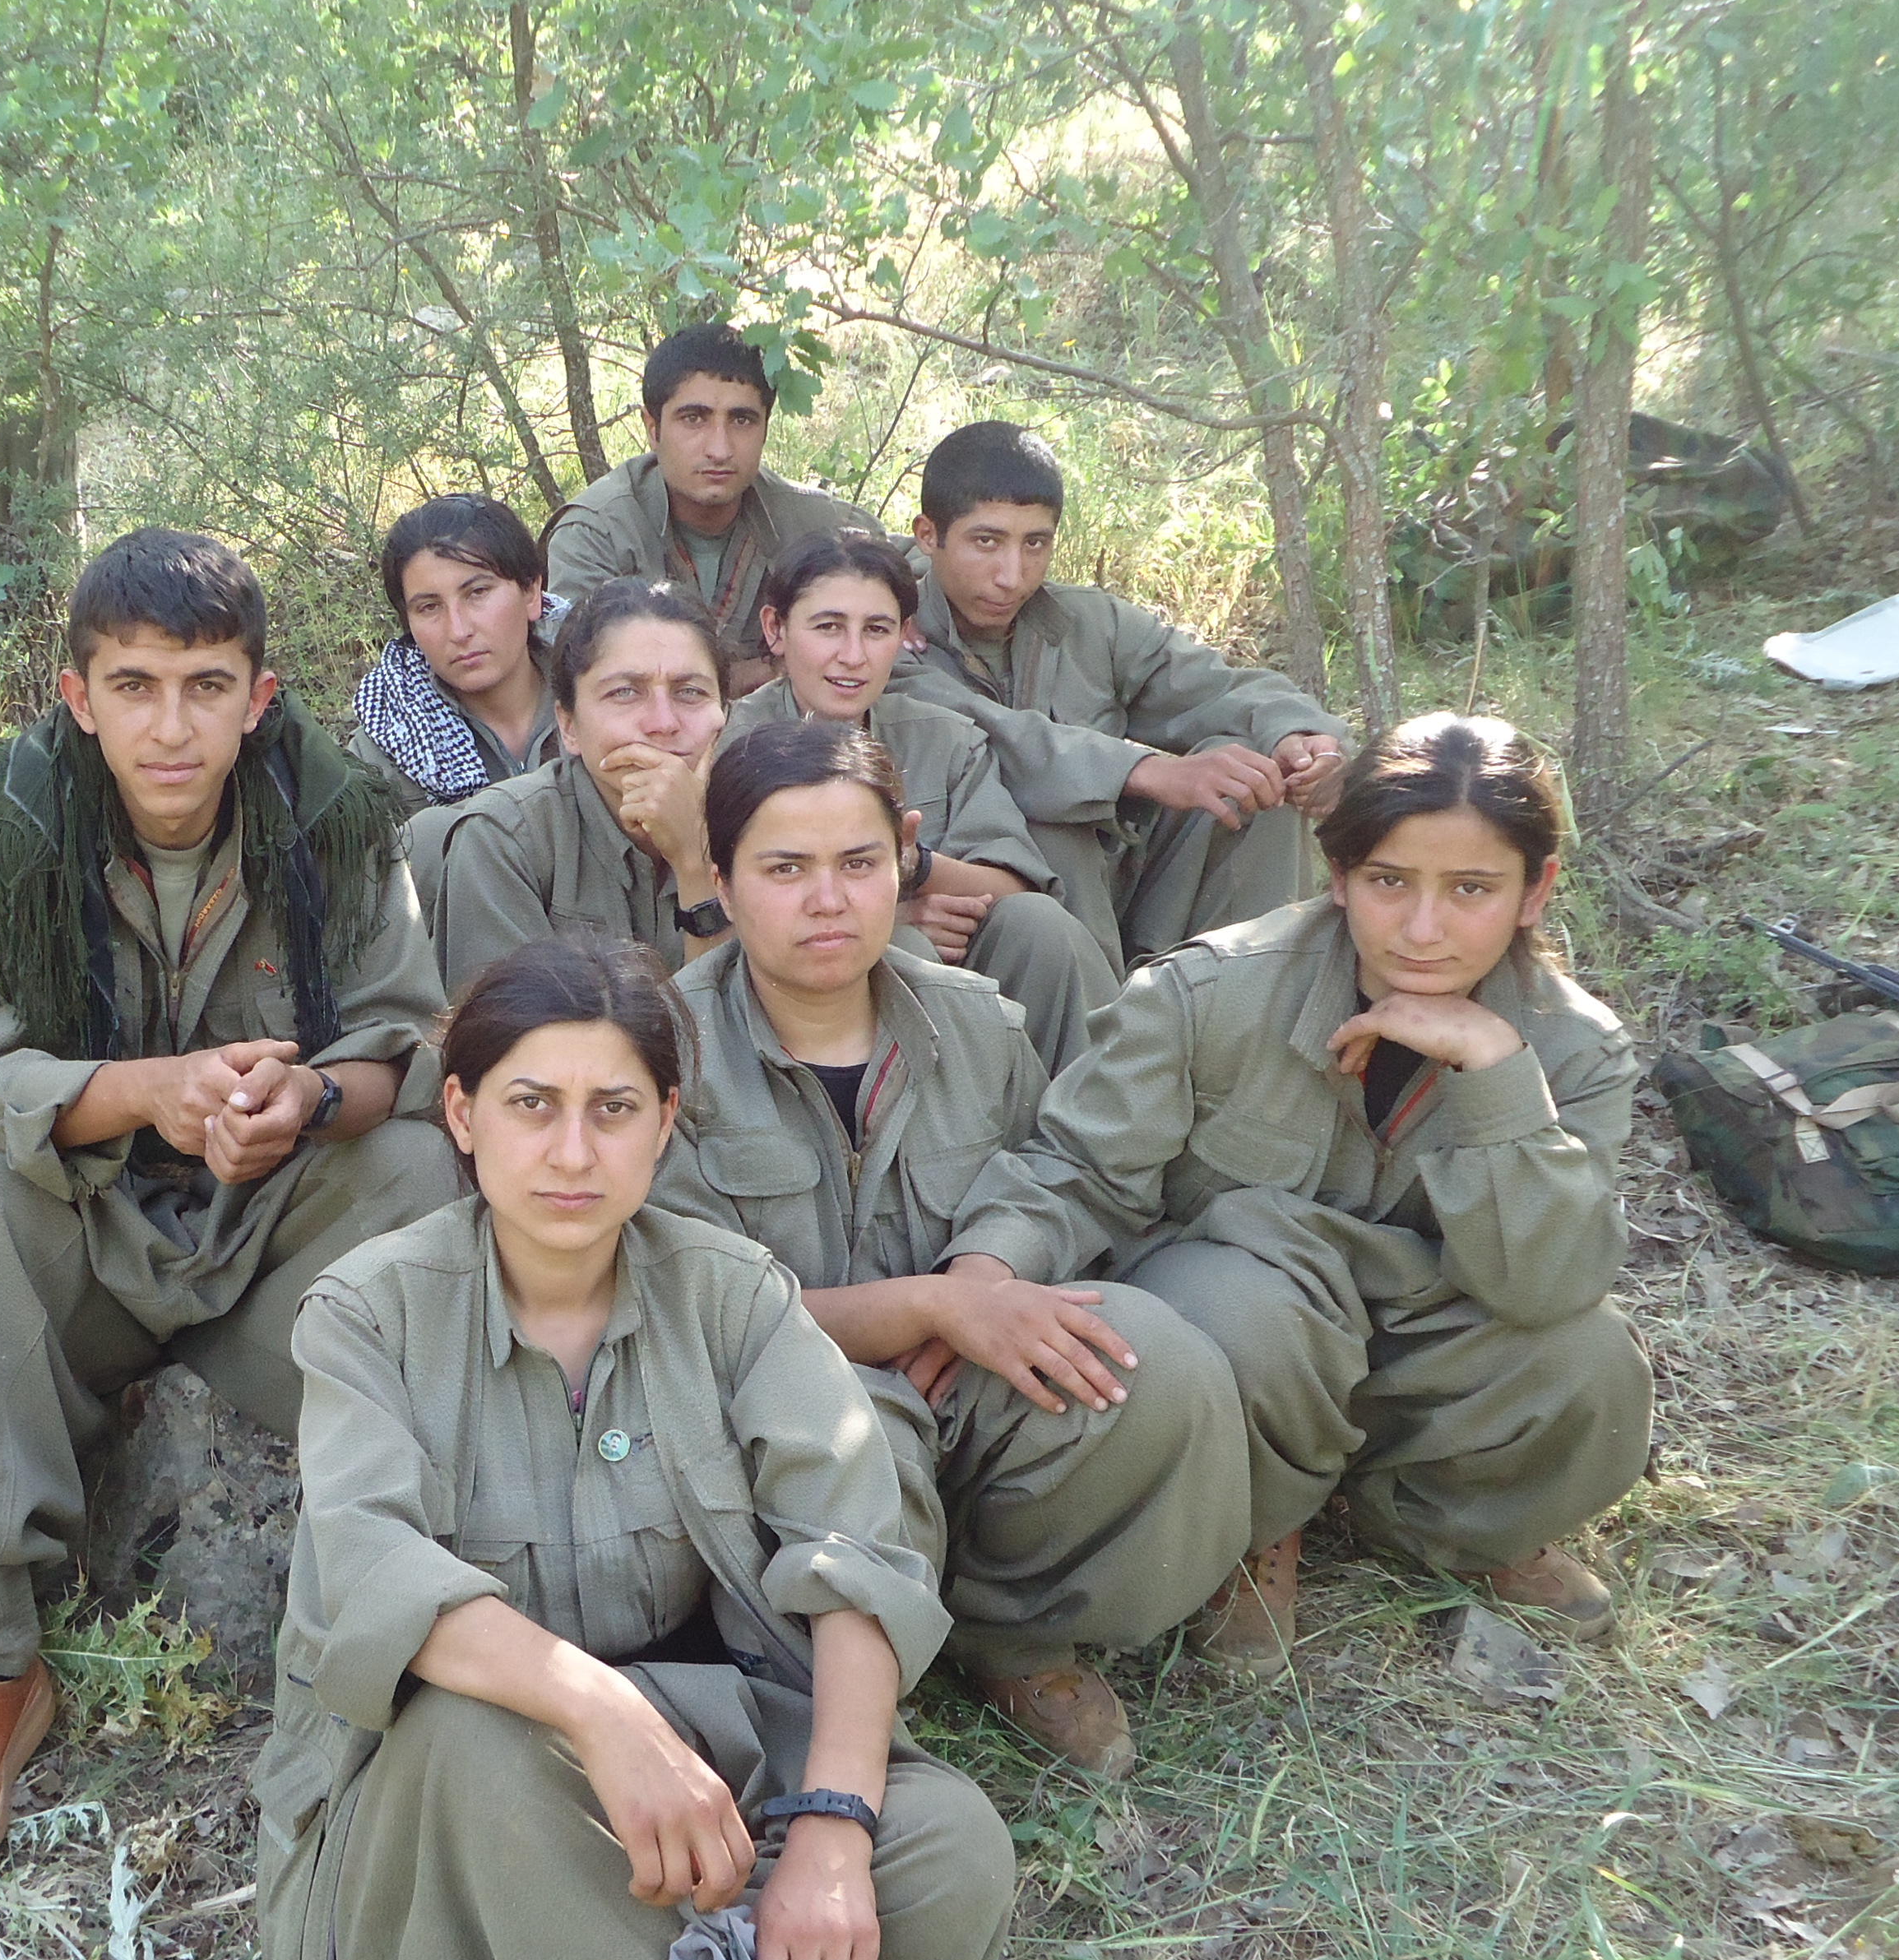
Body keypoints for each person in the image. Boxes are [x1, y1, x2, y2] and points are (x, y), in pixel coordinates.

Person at [256, 938, 1015, 1960]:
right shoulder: (367, 1313)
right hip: (446, 1809)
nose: (572, 1152)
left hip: (710, 1756)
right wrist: (601, 1714)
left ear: (665, 1123)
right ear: (462, 1115)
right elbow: (374, 1573)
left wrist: (833, 1834)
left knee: (950, 1853)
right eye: (531, 1105)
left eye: (612, 1109)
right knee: (479, 1745)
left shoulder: (735, 1295)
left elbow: (857, 1562)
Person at [0, 529, 462, 1902]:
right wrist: (148, 1094)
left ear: (259, 694)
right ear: (78, 696)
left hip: (267, 1229)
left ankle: (418, 1557)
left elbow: (404, 1048)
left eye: (204, 686)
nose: (170, 727)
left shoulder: (345, 814)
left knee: (418, 1173)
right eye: (133, 686)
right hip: (90, 1229)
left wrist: (302, 1101)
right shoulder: (0, 822)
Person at [651, 726, 1246, 1779]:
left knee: (1144, 1358)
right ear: (723, 881)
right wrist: (928, 1308)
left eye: (858, 862)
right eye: (784, 869)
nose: (827, 900)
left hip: (959, 1381)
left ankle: (1007, 1632)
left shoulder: (974, 1024)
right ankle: (832, 1710)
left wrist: (984, 1274)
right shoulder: (660, 1058)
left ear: (906, 856)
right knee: (851, 1469)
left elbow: (1050, 1176)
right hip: (768, 1415)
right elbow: (681, 1305)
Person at [1003, 713, 1651, 1676]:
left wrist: (1496, 1072)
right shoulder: (1208, 994)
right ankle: (1250, 1530)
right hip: (1244, 1340)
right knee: (1248, 1310)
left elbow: (1550, 1286)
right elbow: (1077, 1173)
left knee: (1590, 1362)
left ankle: (1439, 1522)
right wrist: (983, 1280)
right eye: (1390, 882)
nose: (1423, 929)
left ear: (1534, 892)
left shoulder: (1576, 1047)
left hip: (1413, 1340)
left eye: (1471, 889)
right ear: (1339, 874)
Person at [891, 421, 1348, 968]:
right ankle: (1106, 1011)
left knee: (1255, 782)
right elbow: (1006, 741)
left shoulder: (1090, 623)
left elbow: (1213, 684)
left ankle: (1245, 990)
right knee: (1052, 820)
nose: (1011, 576)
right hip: (992, 910)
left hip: (1119, 883)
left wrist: (1302, 739)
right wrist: (1149, 771)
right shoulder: (883, 634)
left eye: (1035, 543)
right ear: (928, 536)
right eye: (985, 542)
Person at [725, 527, 1115, 1073]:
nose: (853, 656)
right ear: (776, 629)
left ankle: (1090, 1104)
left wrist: (918, 866)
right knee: (907, 952)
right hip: (792, 968)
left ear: (905, 634)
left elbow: (1014, 883)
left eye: (876, 629)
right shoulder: (731, 745)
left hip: (953, 951)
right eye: (828, 627)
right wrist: (889, 915)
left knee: (1041, 927)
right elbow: (720, 906)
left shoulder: (942, 736)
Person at [429, 578, 735, 996]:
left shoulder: (763, 827)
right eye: (624, 693)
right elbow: (511, 1033)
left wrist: (695, 863)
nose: (664, 723)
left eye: (690, 692)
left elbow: (748, 1031)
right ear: (569, 725)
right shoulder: (505, 839)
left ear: (723, 713)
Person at [543, 321, 882, 687]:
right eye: (694, 419)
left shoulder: (810, 518)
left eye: (742, 420)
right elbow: (583, 679)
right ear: (653, 428)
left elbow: (912, 562)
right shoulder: (596, 534)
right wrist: (766, 671)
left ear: (766, 428)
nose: (720, 449)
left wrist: (904, 615)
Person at [347, 493, 568, 915]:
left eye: (478, 592)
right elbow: (364, 907)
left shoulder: (608, 694)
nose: (459, 629)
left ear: (531, 592)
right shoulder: (384, 748)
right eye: (429, 607)